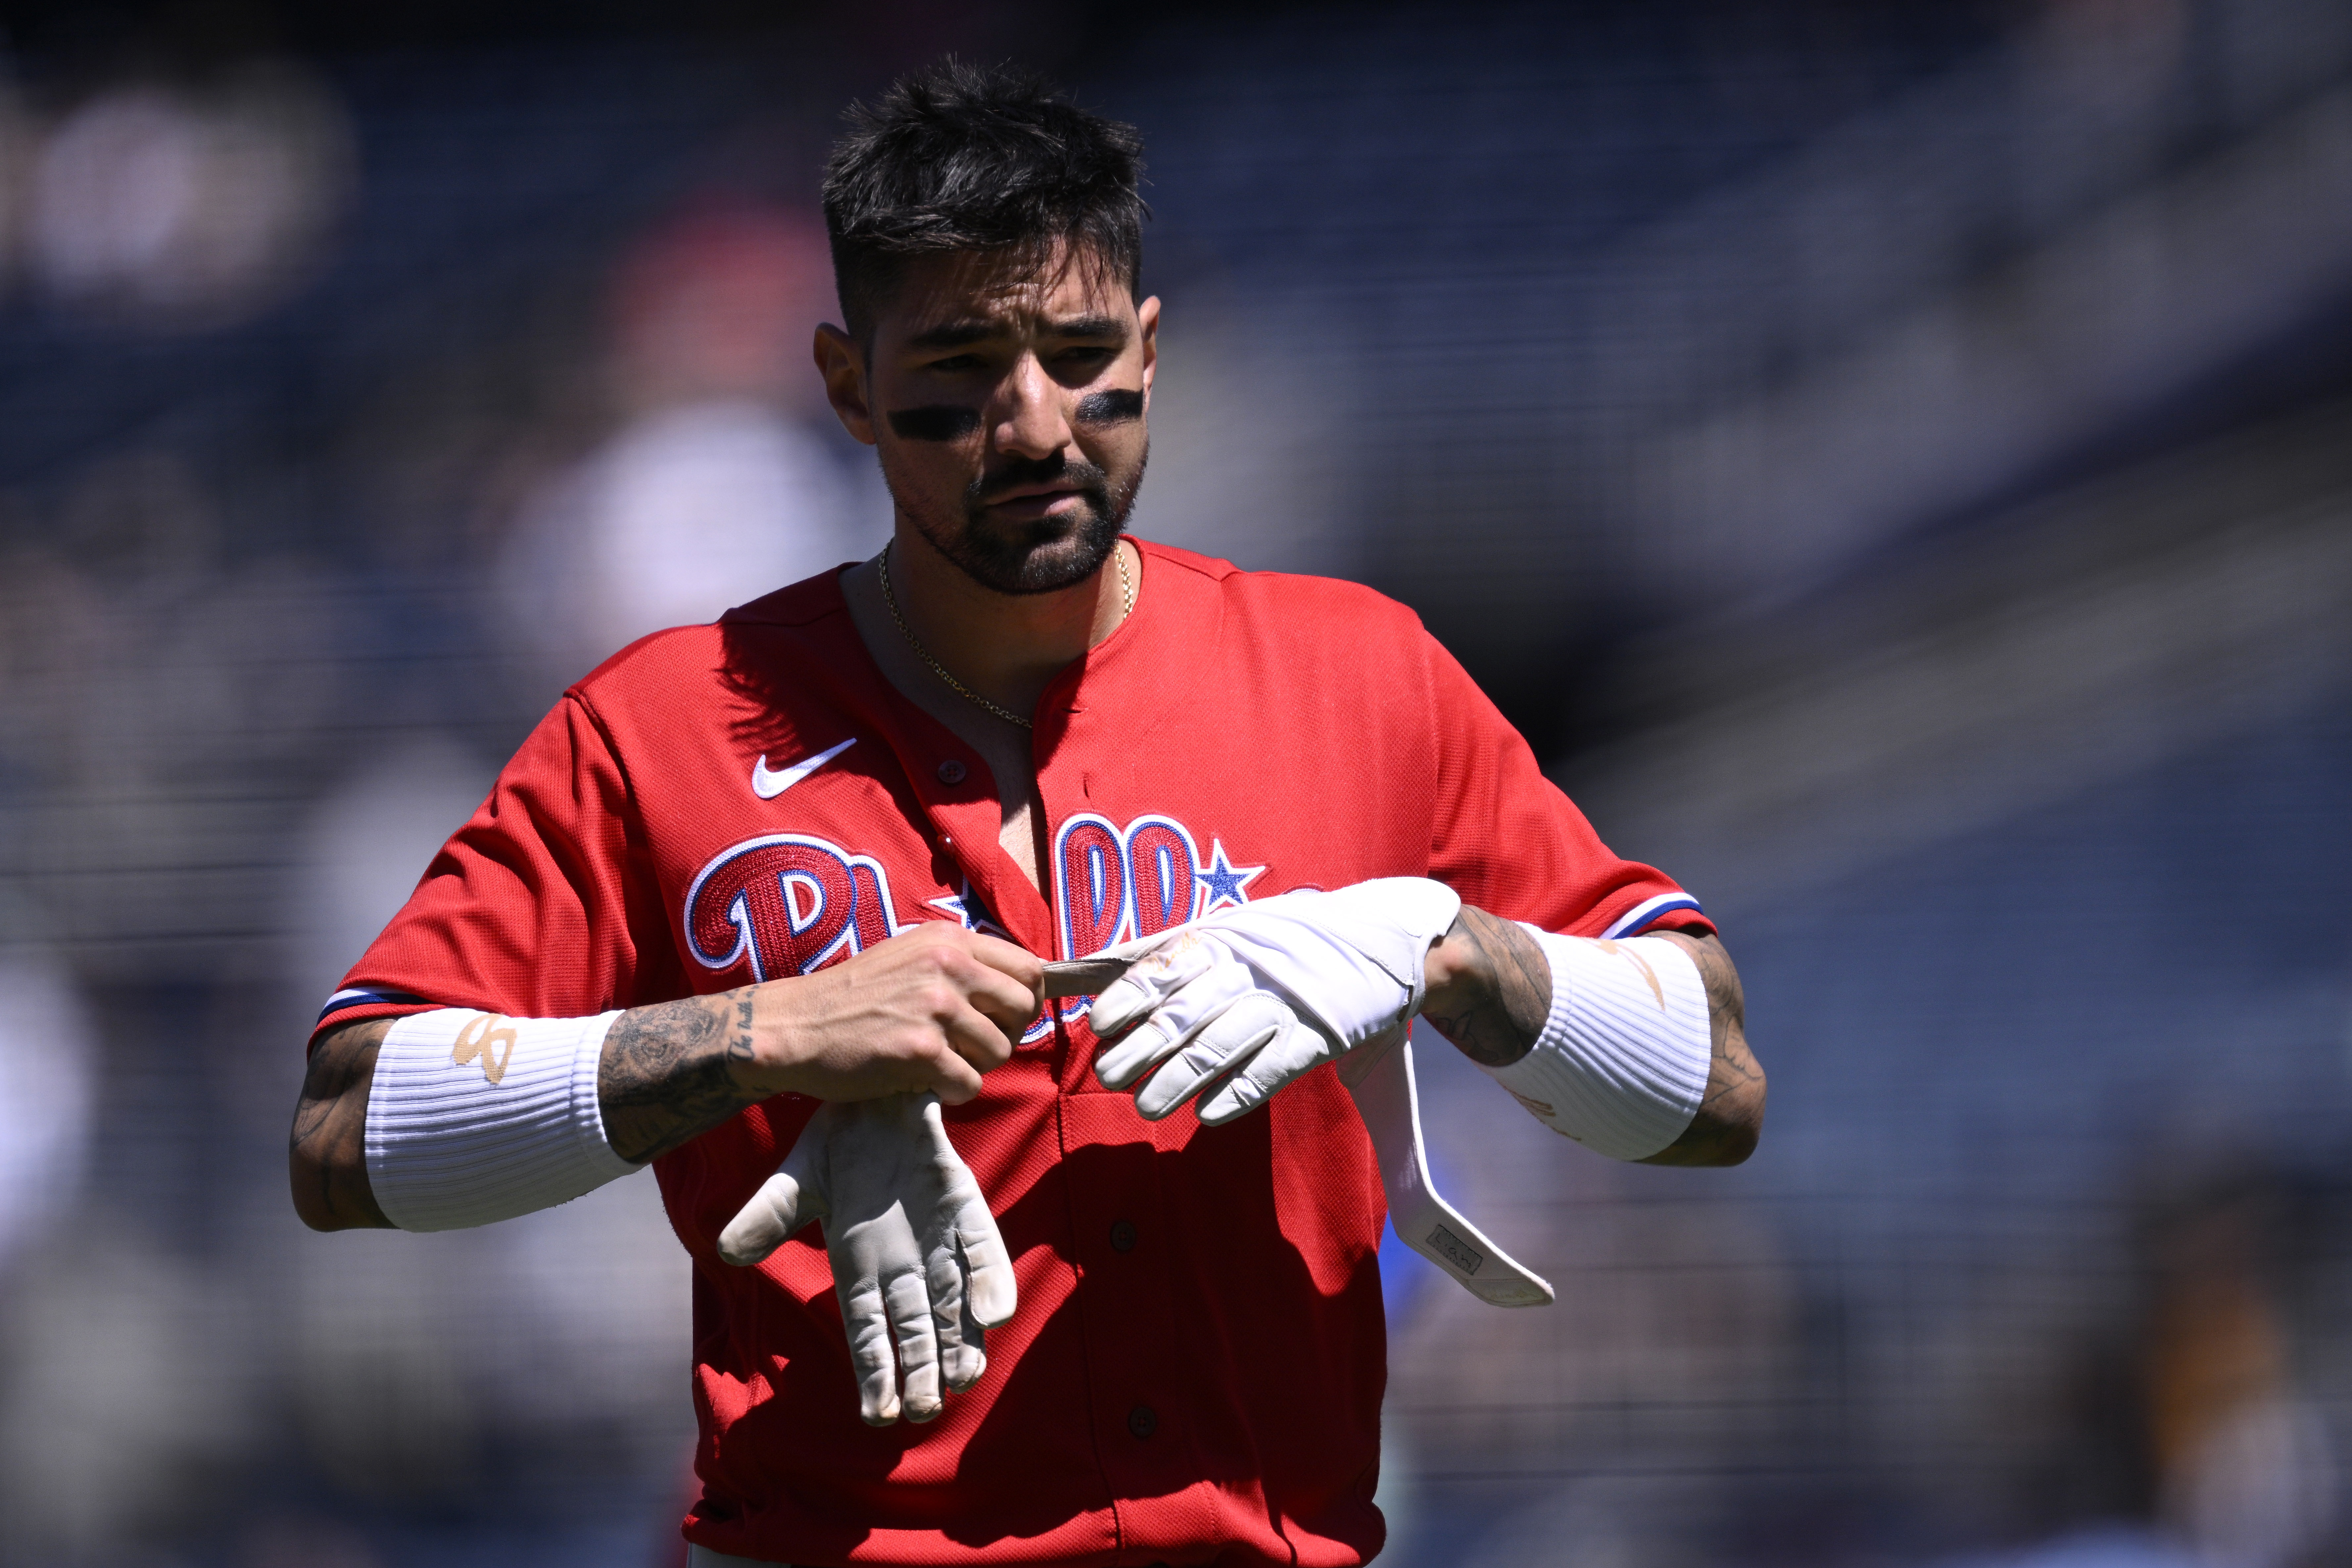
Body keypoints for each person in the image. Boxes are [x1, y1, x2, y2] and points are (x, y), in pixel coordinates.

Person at [289, 60, 1764, 1568]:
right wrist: (769, 1038)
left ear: (1147, 348)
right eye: (961, 367)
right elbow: (347, 1134)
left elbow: (1711, 1090)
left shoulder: (1356, 672)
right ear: (849, 385)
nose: (1037, 423)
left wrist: (1449, 953)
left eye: (1078, 353)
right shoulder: (657, 721)